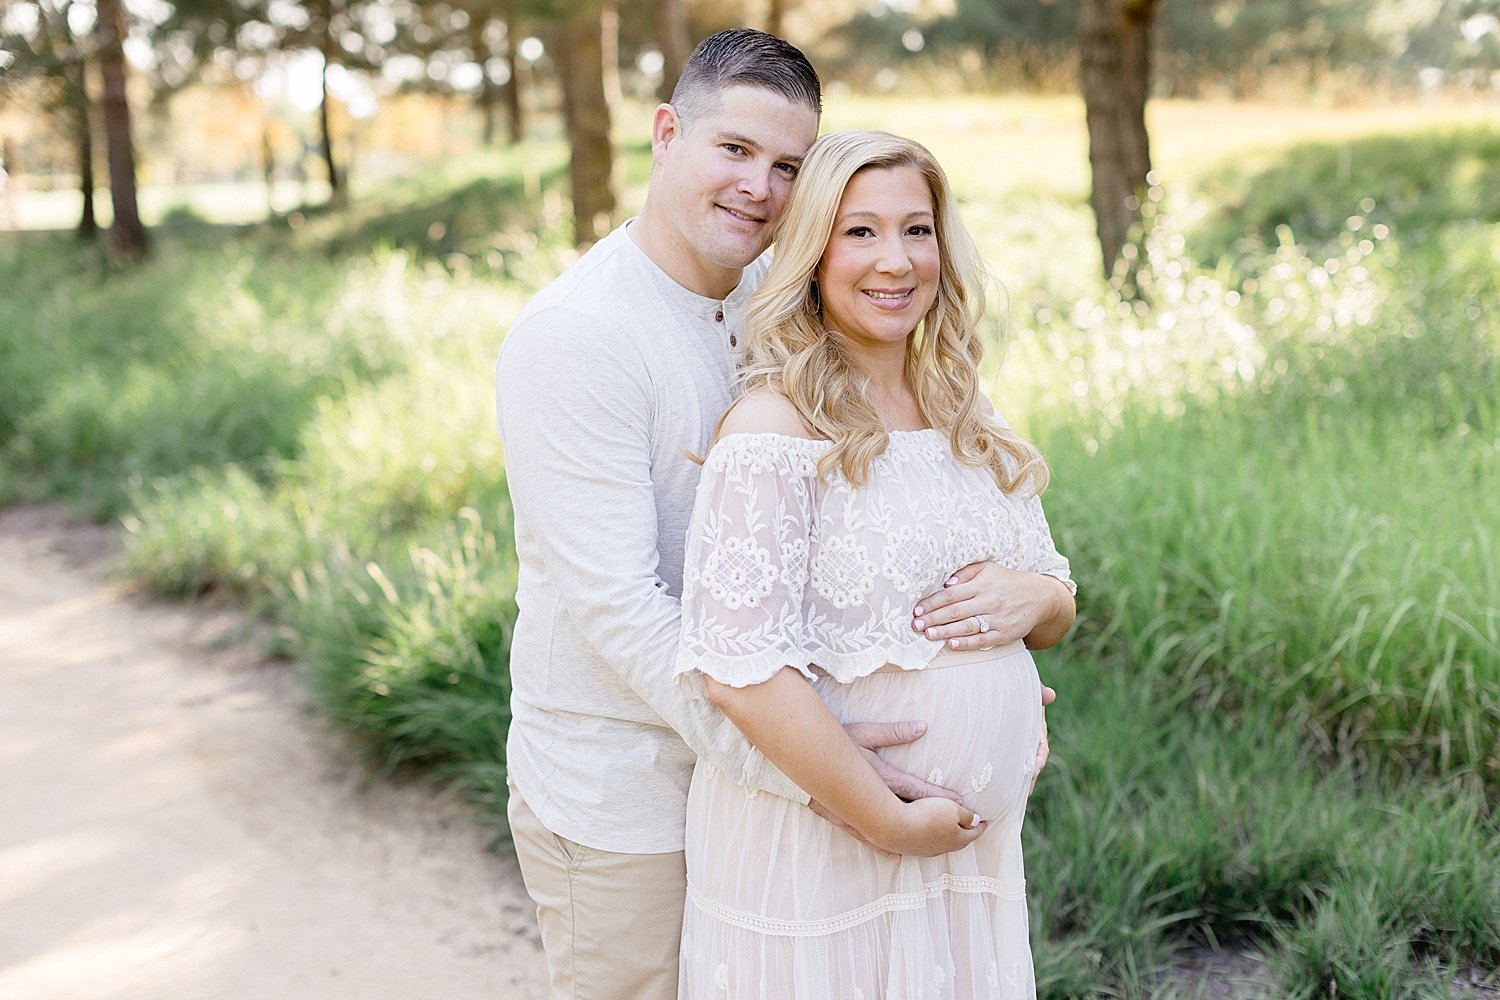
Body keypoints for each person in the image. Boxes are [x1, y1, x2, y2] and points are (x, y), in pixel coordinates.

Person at [496, 29, 1051, 1000]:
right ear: (667, 134)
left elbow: (869, 510)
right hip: (625, 782)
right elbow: (622, 608)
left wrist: (954, 666)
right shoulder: (577, 338)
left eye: (789, 165)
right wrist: (828, 765)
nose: (760, 185)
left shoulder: (779, 298)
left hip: (782, 778)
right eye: (735, 150)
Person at [674, 130, 1077, 998]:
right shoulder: (773, 432)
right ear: (812, 250)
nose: (895, 260)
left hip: (965, 861)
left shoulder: (965, 415)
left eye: (916, 230)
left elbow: (1055, 601)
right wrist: (884, 820)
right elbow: (739, 673)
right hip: (826, 852)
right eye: (859, 232)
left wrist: (1035, 596)